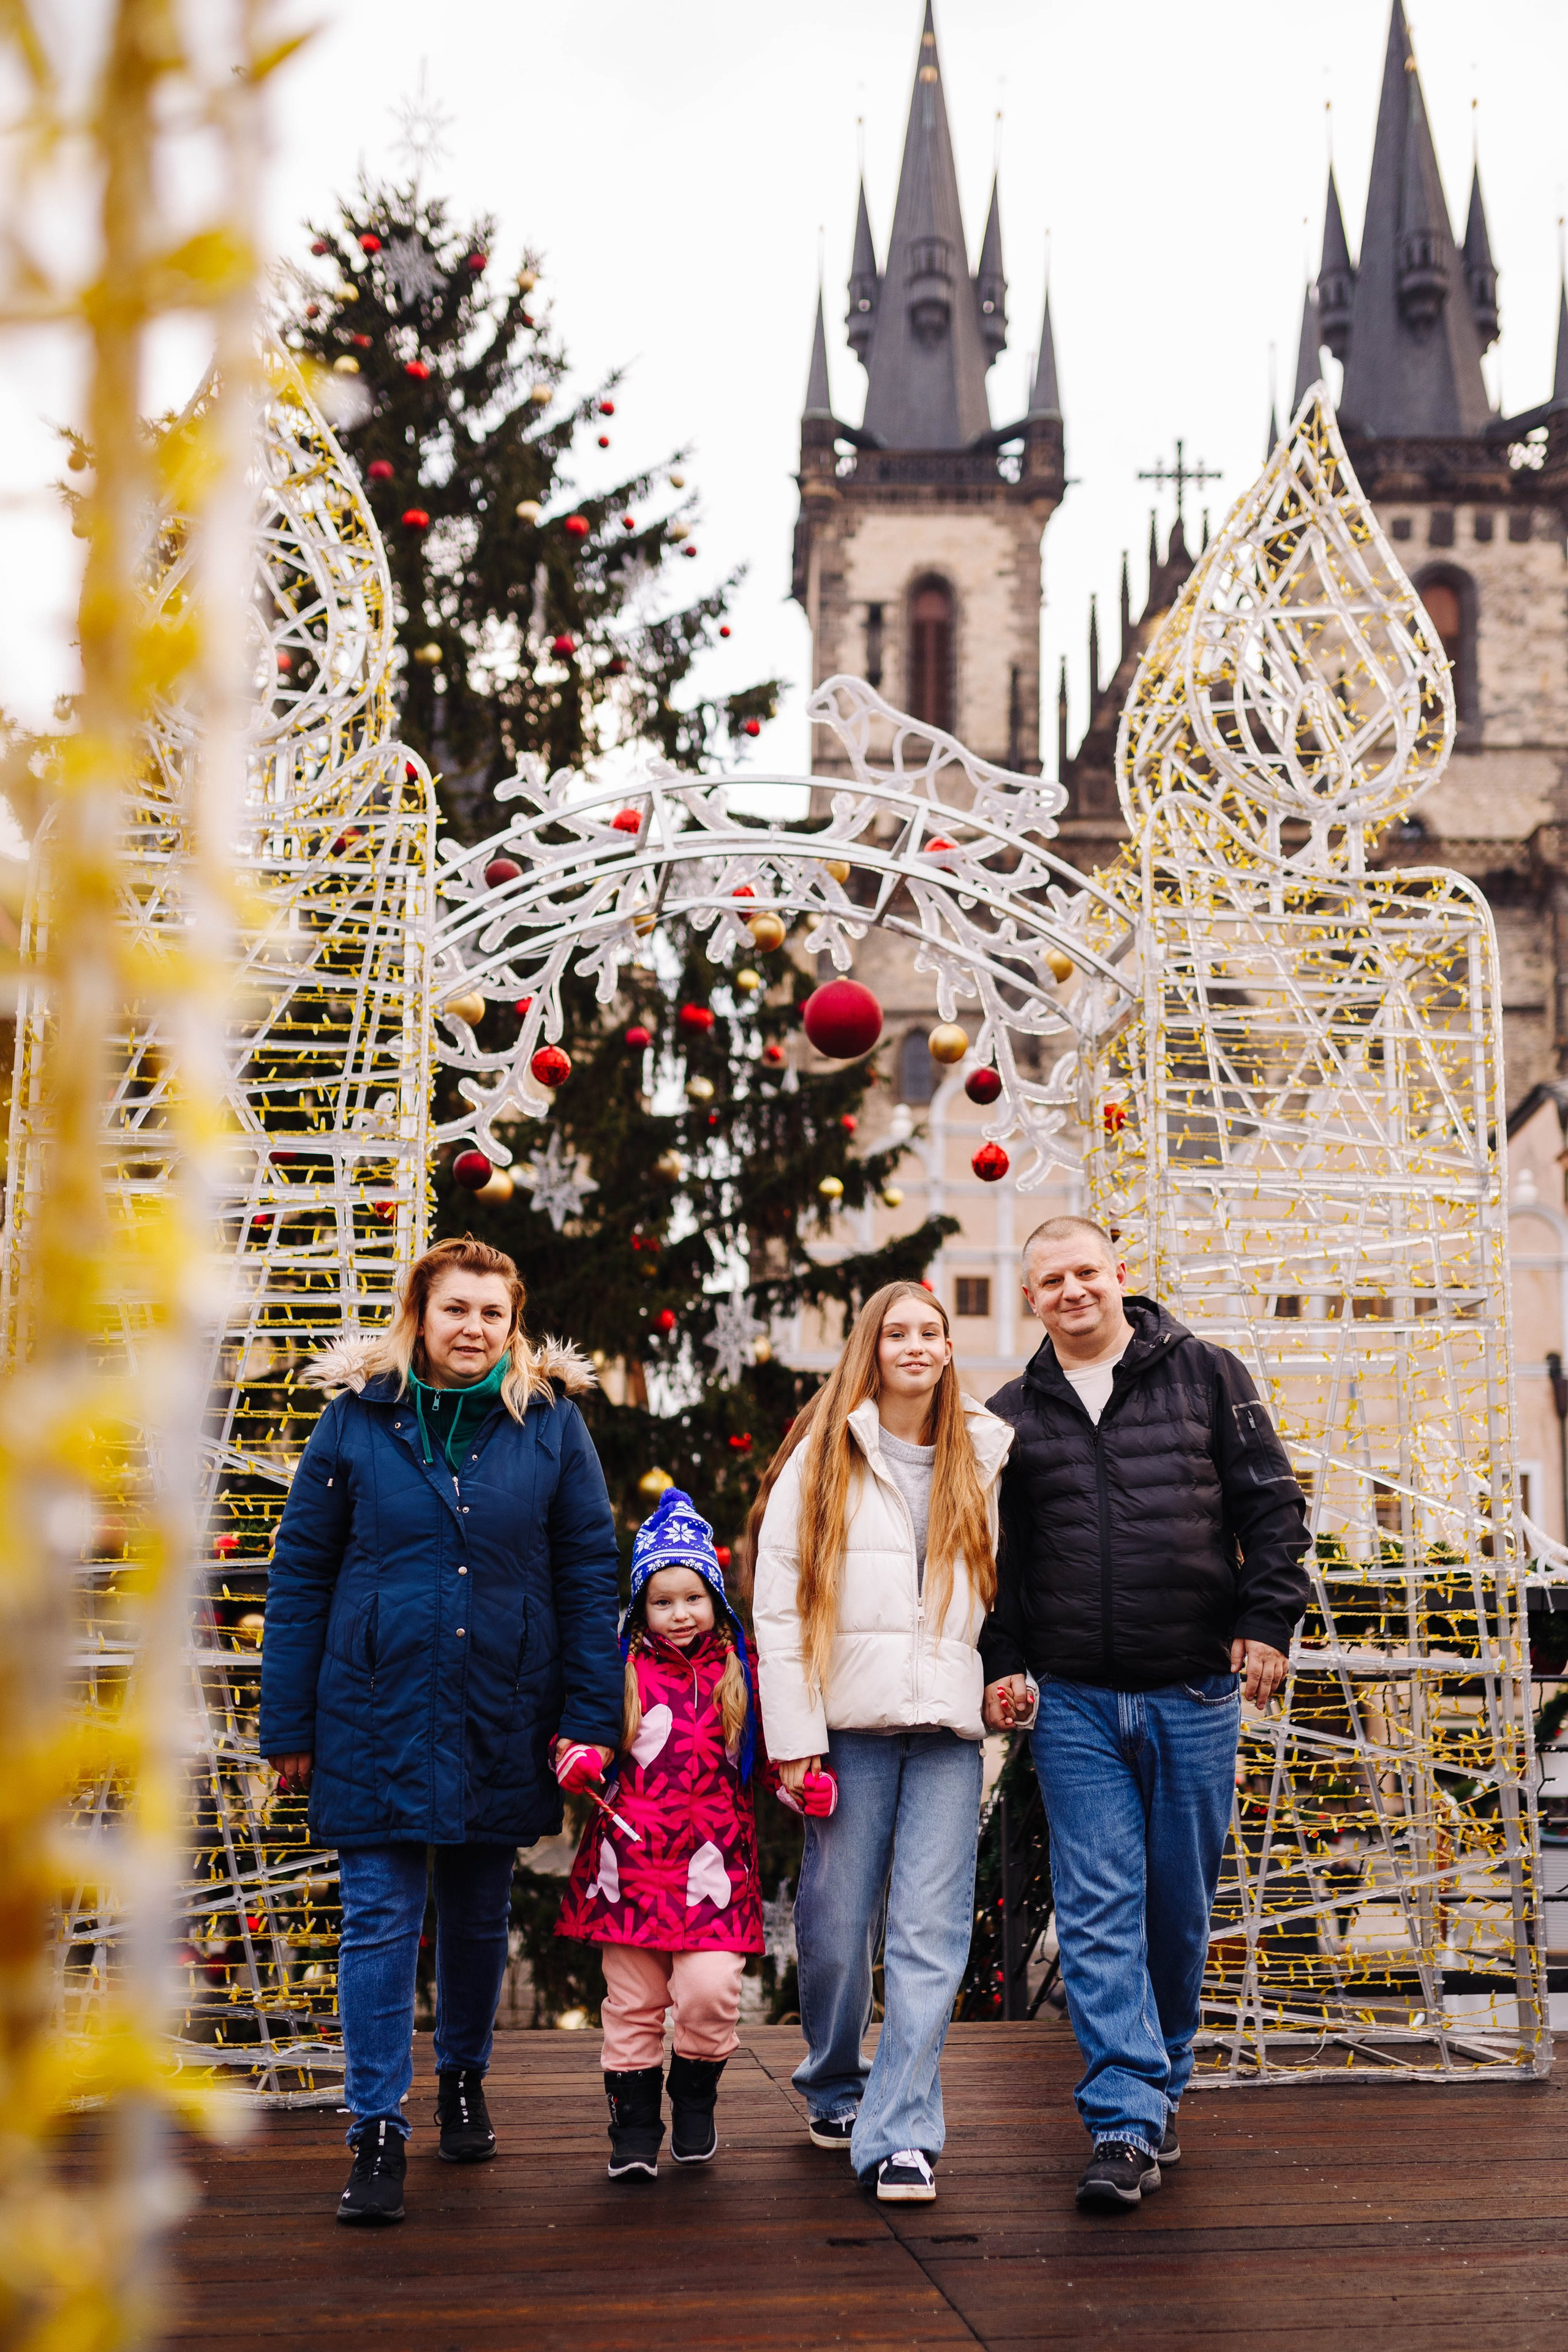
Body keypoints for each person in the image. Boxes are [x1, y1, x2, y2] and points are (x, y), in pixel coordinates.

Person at [259, 1235, 623, 2226]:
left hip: (502, 1706)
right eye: (455, 1309)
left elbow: (591, 1579)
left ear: (516, 1326)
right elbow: (300, 1575)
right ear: (419, 1313)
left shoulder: (552, 1428)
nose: (473, 1329)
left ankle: (463, 2076)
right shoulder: (355, 1422)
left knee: (472, 1914)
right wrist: (287, 1720)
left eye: (491, 1314)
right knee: (379, 1919)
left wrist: (591, 1721)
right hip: (371, 1705)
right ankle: (376, 2127)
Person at [981, 1216, 1310, 2212]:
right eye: (1051, 1282)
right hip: (1073, 1697)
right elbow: (993, 1564)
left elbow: (1274, 1509)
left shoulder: (1208, 1372)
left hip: (1196, 1689)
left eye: (1085, 1272)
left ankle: (1161, 2078)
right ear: (1031, 1297)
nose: (1072, 1291)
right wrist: (1003, 1664)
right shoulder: (1008, 1415)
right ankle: (1123, 2116)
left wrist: (1267, 1623)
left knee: (1176, 1905)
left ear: (1117, 1274)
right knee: (1096, 1903)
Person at [752, 1280, 1012, 2205]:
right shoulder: (823, 1455)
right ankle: (831, 2078)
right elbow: (777, 1602)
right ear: (871, 1345)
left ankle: (902, 2132)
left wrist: (1002, 1691)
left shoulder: (983, 1453)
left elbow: (1009, 1594)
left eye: (929, 1332)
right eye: (896, 1331)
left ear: (948, 1348)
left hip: (946, 1731)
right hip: (846, 1731)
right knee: (831, 1929)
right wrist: (794, 1738)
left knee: (931, 1933)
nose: (914, 1344)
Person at [554, 1485, 813, 2179]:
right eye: (661, 1601)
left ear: (715, 1598)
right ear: (641, 1604)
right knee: (633, 2004)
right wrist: (577, 1758)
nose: (678, 1615)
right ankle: (635, 2127)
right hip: (629, 1872)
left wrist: (798, 1782)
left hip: (712, 1872)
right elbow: (587, 1738)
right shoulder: (620, 1671)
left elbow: (768, 1756)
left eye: (692, 1598)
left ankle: (694, 2094)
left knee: (709, 1992)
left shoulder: (742, 1671)